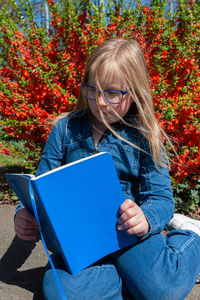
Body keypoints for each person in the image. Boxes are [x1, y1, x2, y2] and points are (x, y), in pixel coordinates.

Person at [14, 39, 200, 300]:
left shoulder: (143, 135)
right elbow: (39, 187)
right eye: (93, 90)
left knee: (162, 291)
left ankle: (190, 237)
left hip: (129, 233)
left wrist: (145, 219)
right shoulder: (65, 129)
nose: (100, 102)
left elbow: (160, 198)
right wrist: (24, 214)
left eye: (112, 93)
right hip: (81, 240)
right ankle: (127, 278)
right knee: (59, 293)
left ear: (134, 92)